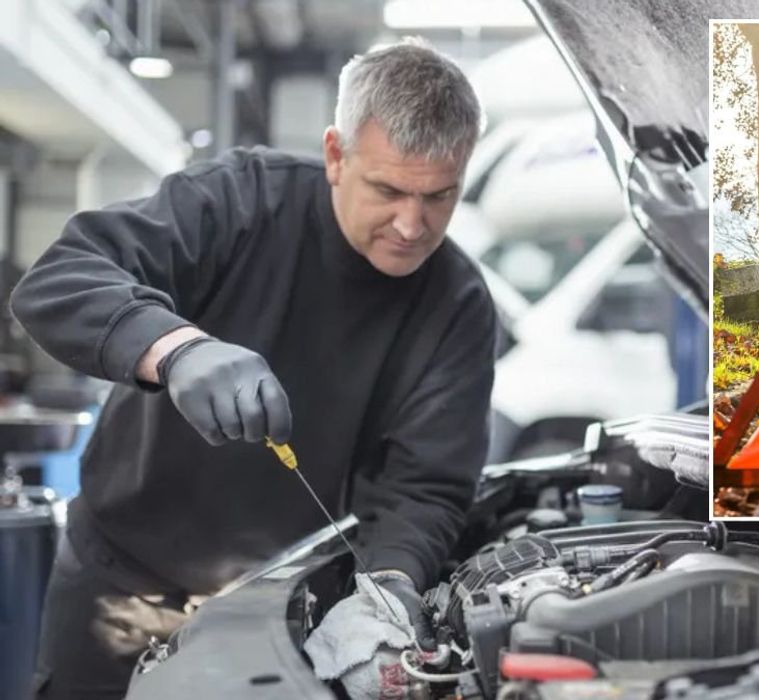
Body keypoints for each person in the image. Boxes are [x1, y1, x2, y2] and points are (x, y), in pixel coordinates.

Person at [11, 38, 495, 699]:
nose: (412, 224)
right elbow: (58, 282)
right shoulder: (237, 202)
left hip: (283, 612)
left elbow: (426, 487)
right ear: (334, 155)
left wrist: (387, 591)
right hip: (120, 588)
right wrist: (175, 349)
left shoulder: (457, 305)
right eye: (387, 189)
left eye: (440, 196)